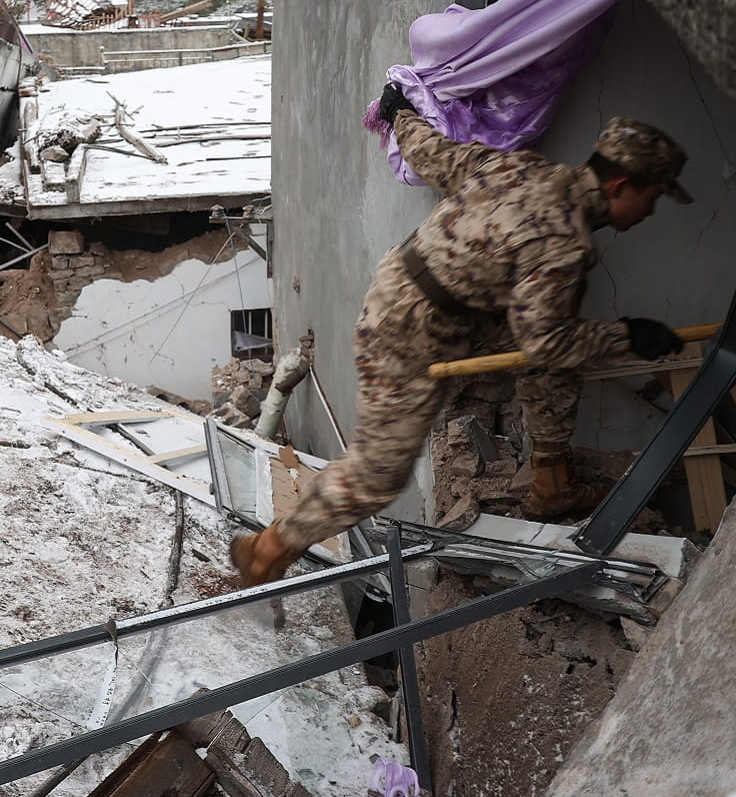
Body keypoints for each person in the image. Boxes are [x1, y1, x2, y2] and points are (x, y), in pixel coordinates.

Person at [232, 88, 691, 587]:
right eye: (653, 197)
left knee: (559, 347)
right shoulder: (564, 245)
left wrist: (399, 115)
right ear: (623, 185)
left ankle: (551, 481)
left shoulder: (523, 169)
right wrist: (628, 336)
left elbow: (437, 155)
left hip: (414, 293)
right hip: (408, 333)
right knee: (380, 473)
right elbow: (546, 341)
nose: (650, 212)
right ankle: (269, 549)